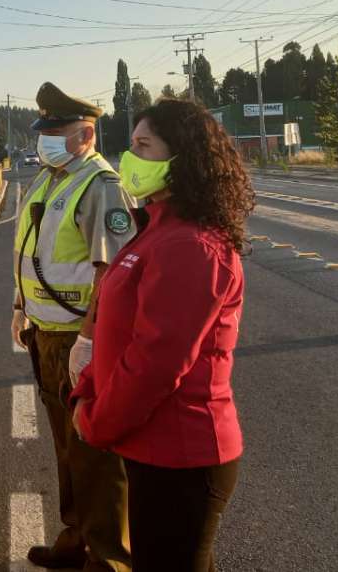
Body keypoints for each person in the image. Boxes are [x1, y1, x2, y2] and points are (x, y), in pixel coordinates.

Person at [73, 99, 252, 572]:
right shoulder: (156, 230)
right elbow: (122, 331)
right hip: (153, 450)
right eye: (129, 145)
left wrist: (95, 421)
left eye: (143, 146)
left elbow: (155, 364)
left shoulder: (191, 245)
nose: (129, 158)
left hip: (182, 457)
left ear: (182, 158)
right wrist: (88, 383)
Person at [12, 82, 135, 571]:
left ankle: (108, 560)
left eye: (56, 131)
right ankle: (76, 540)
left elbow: (115, 273)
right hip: (46, 334)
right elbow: (32, 250)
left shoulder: (100, 185)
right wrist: (20, 308)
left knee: (96, 455)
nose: (45, 139)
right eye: (44, 130)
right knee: (66, 447)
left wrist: (88, 338)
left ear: (85, 134)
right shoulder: (52, 177)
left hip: (79, 339)